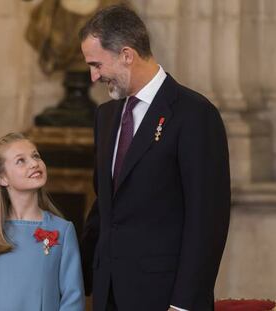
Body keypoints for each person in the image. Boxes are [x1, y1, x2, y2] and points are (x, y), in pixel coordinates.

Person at [79, 4, 230, 311]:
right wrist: (74, 276)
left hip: (164, 298)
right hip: (108, 295)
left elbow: (207, 221)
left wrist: (185, 304)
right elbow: (104, 207)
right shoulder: (106, 116)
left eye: (97, 64)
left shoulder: (194, 114)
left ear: (126, 55)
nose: (94, 77)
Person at [0, 133, 85, 311]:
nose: (34, 163)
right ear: (3, 178)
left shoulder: (62, 230)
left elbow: (73, 298)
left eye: (36, 156)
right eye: (21, 160)